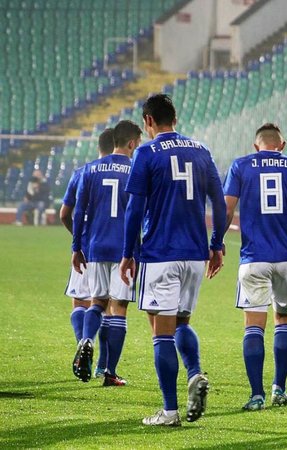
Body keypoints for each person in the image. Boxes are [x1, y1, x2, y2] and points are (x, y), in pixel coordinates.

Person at [119, 94, 226, 427]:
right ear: (174, 119)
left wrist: (128, 253)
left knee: (161, 333)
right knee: (182, 322)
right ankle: (194, 373)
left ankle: (169, 411)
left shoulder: (146, 152)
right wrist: (217, 244)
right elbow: (219, 203)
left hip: (160, 252)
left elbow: (134, 208)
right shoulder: (201, 150)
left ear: (149, 121)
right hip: (195, 255)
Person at [223, 123, 287, 411]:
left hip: (254, 258)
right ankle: (279, 388)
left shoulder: (241, 165)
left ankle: (257, 395)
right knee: (284, 319)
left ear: (257, 146)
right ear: (282, 145)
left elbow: (227, 208)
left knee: (254, 325)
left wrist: (216, 242)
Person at [71, 120, 142, 387]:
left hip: (96, 246)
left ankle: (86, 340)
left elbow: (79, 212)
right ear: (132, 143)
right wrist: (137, 250)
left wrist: (76, 247)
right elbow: (140, 212)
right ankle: (109, 371)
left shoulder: (90, 169)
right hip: (125, 250)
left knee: (97, 302)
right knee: (119, 308)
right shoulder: (136, 169)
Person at [60, 128, 114, 377]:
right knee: (106, 306)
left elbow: (64, 214)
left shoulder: (82, 172)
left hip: (84, 248)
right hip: (112, 249)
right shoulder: (126, 171)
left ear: (98, 147)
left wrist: (78, 240)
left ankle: (83, 348)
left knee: (80, 302)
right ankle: (104, 366)